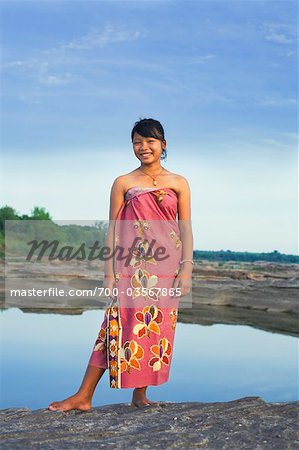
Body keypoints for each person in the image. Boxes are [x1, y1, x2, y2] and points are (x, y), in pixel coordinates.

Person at [48, 118, 193, 411]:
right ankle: (84, 395)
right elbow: (113, 229)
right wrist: (109, 270)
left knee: (155, 329)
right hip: (133, 267)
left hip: (167, 269)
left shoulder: (179, 183)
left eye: (150, 141)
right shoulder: (124, 182)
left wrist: (187, 267)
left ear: (163, 144)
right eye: (137, 142)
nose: (143, 147)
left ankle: (139, 396)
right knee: (115, 325)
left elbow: (186, 228)